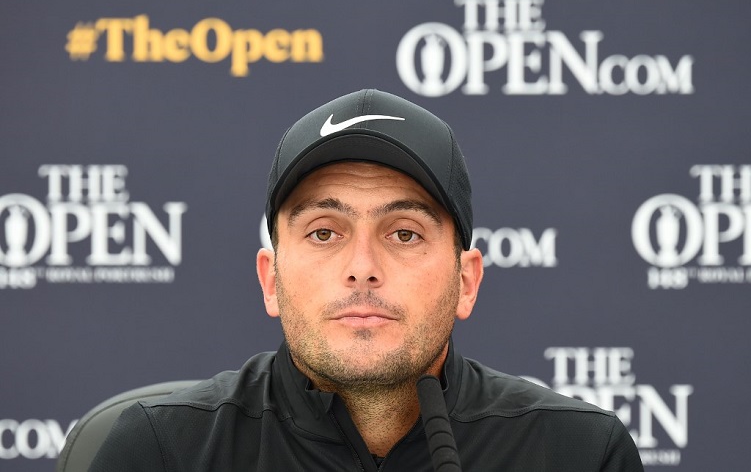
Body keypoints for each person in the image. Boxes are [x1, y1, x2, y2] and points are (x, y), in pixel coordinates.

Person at [89, 89, 644, 471]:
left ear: (467, 280)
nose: (362, 265)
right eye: (324, 233)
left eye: (404, 234)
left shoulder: (578, 452)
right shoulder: (161, 452)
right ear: (271, 280)